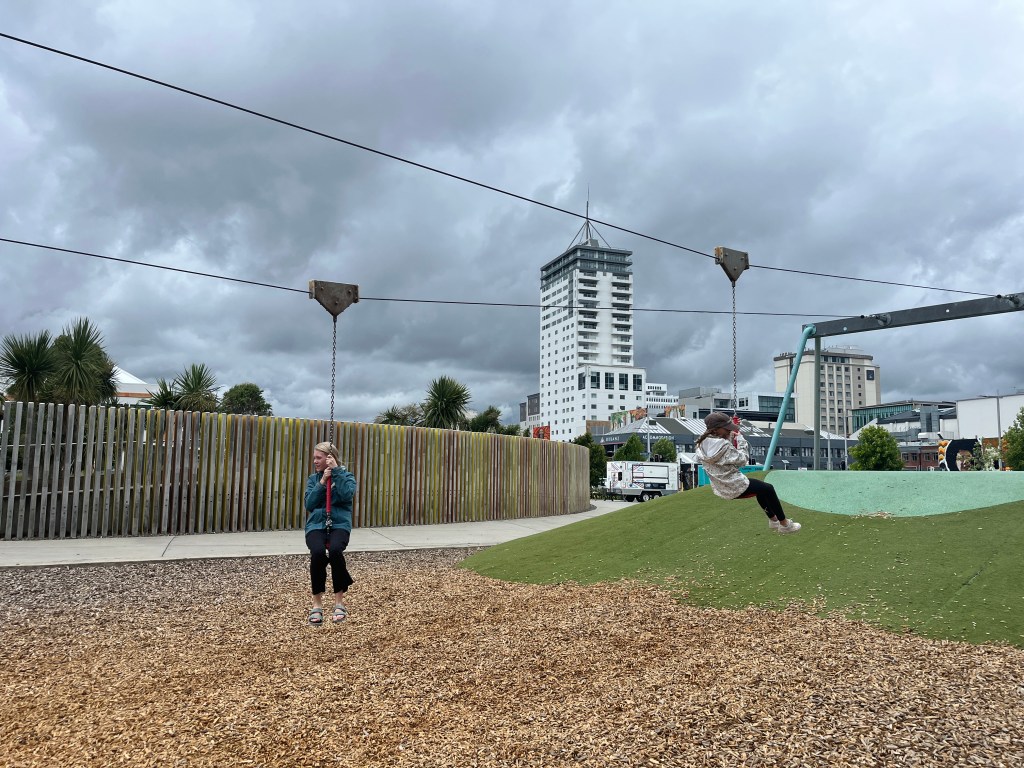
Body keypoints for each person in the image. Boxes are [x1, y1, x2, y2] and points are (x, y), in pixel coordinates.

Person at [695, 412, 801, 534]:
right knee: (768, 489)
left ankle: (774, 521)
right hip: (735, 484)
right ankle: (785, 525)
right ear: (717, 429)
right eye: (727, 429)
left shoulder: (701, 443)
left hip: (720, 487)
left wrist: (730, 435)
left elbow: (721, 453)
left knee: (761, 490)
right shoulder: (724, 446)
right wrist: (741, 441)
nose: (729, 431)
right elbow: (743, 460)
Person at [304, 441, 357, 625]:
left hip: (339, 523)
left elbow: (347, 495)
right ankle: (317, 604)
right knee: (318, 553)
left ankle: (339, 603)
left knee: (335, 551)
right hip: (316, 525)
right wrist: (322, 482)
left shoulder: (347, 476)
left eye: (318, 458)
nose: (315, 461)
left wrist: (337, 473)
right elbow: (309, 504)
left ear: (330, 458)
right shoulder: (313, 479)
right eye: (314, 458)